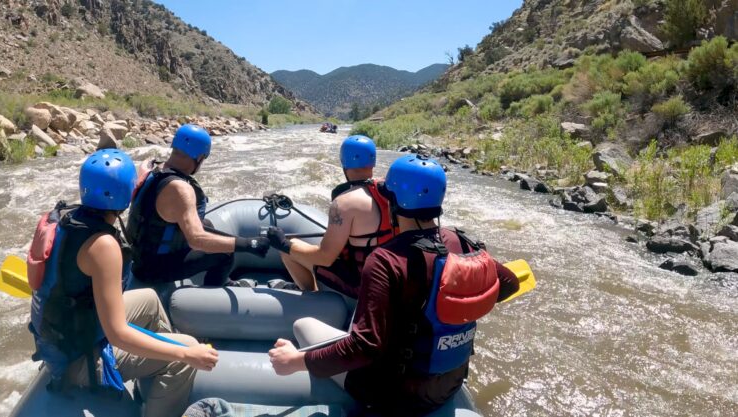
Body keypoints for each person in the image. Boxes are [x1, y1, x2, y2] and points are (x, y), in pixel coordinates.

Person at [268, 155, 520, 416]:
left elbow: (364, 347)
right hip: (450, 385)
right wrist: (459, 306)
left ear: (393, 204)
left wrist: (295, 361)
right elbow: (509, 284)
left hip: (393, 395)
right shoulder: (464, 244)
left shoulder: (385, 260)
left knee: (303, 325)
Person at [28, 149, 218, 417]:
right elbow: (117, 334)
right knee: (184, 351)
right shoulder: (103, 245)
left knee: (150, 298)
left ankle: (151, 381)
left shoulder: (66, 218)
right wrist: (186, 354)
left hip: (66, 332)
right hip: (79, 358)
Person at [126, 124, 269, 286]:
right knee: (225, 254)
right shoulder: (181, 189)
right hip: (153, 269)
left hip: (141, 256)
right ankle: (213, 294)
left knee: (205, 224)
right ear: (200, 157)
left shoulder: (154, 170)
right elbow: (196, 240)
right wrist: (249, 244)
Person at [267, 135, 397, 296]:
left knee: (289, 248)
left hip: (364, 284)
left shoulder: (344, 203)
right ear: (373, 161)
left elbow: (325, 258)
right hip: (390, 276)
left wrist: (283, 244)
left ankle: (312, 297)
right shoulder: (391, 191)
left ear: (344, 163)